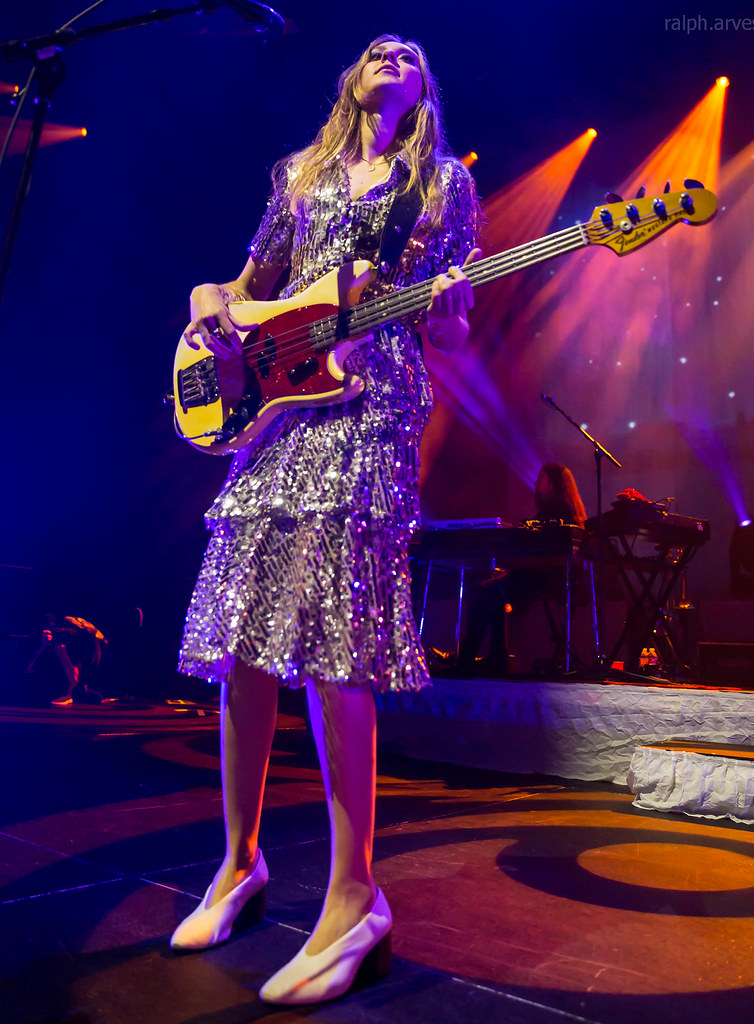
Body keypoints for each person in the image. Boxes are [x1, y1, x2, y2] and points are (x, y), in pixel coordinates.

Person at [172, 35, 481, 1005]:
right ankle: (239, 863)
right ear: (353, 79)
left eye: (411, 51)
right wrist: (207, 308)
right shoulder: (300, 175)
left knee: (342, 633)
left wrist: (452, 306)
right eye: (376, 47)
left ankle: (355, 897)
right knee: (247, 636)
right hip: (281, 411)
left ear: (424, 87)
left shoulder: (439, 188)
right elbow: (248, 288)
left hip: (376, 400)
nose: (393, 50)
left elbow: (451, 327)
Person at [458, 464, 587, 673]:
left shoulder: (560, 518)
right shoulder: (558, 516)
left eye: (541, 480)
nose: (536, 484)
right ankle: (495, 656)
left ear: (554, 485)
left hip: (549, 578)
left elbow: (548, 556)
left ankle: (470, 659)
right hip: (542, 575)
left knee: (488, 591)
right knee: (493, 589)